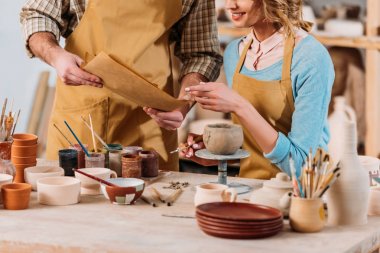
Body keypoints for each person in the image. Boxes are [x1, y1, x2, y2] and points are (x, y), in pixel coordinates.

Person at [20, 0, 222, 171]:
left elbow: (202, 53)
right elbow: (37, 14)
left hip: (153, 123)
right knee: (73, 205)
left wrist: (185, 101)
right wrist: (56, 56)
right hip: (83, 119)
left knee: (151, 206)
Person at [146, 0, 335, 179]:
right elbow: (255, 146)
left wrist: (239, 106)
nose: (230, 5)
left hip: (299, 197)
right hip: (249, 189)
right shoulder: (234, 53)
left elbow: (302, 165)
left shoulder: (310, 58)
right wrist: (220, 148)